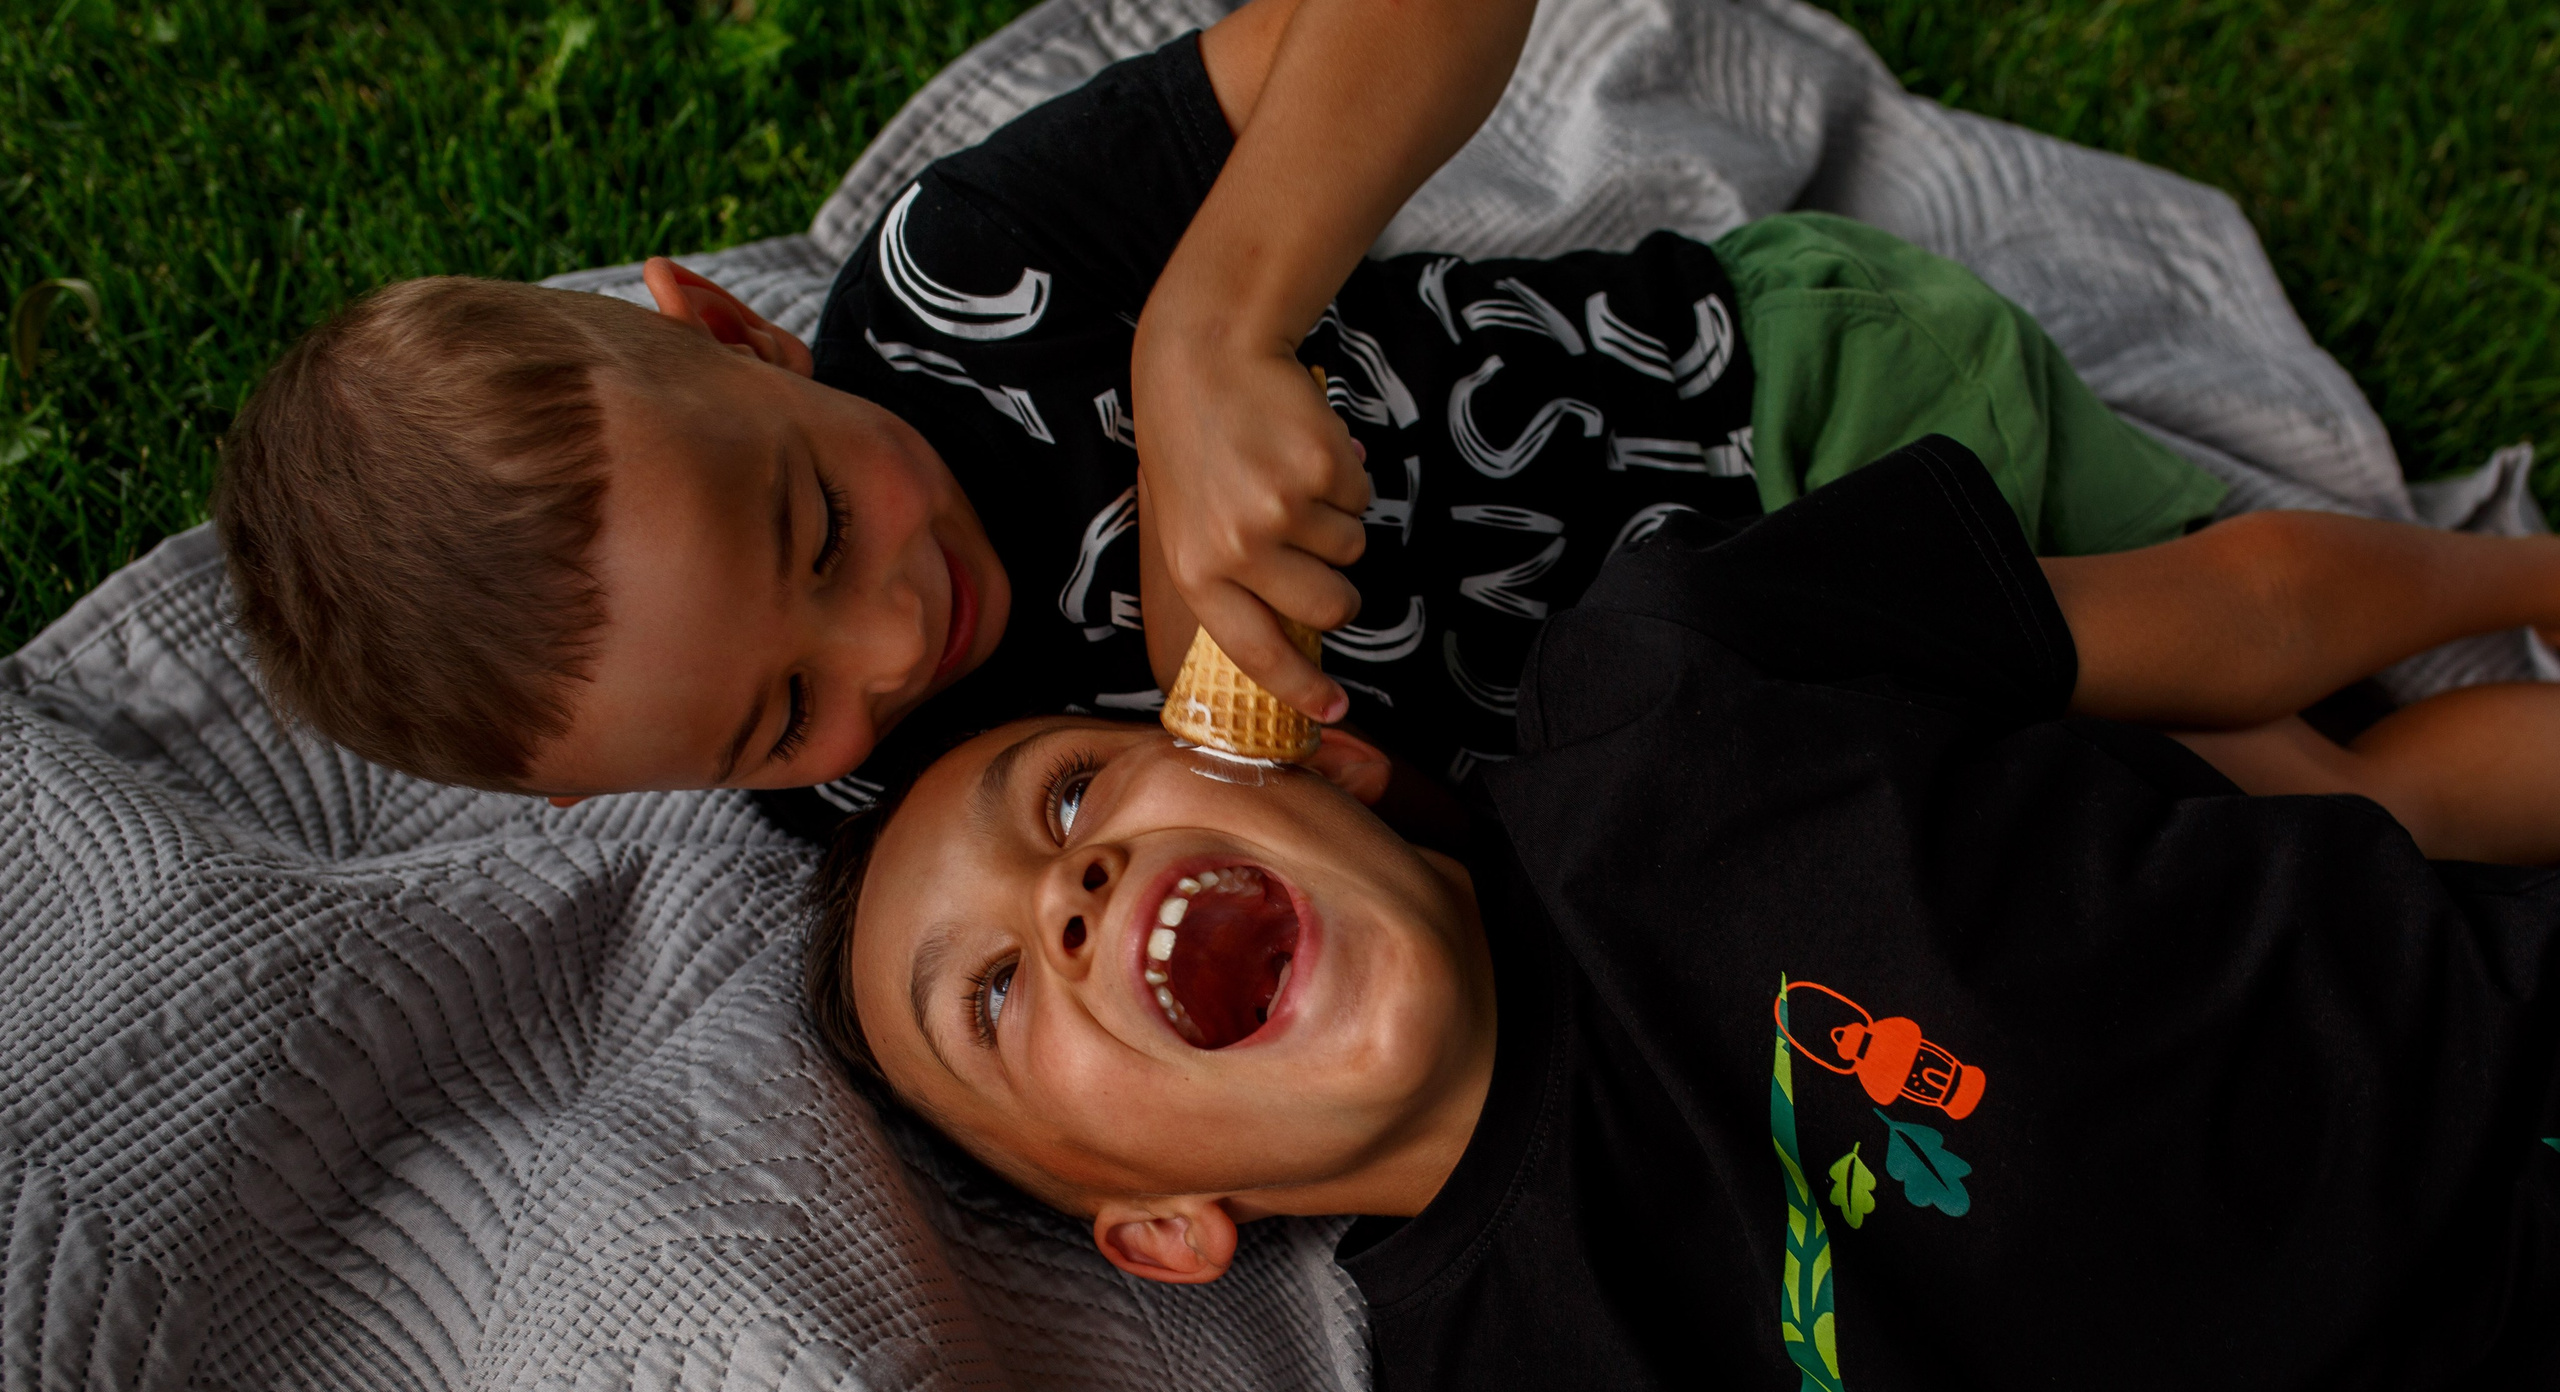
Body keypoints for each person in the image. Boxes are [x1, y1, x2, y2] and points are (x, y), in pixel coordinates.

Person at [802, 438, 2560, 1392]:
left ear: (1288, 769)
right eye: (998, 997)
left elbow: (2233, 612)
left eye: (1068, 796)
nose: (1074, 891)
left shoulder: (1664, 676)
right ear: (1167, 1224)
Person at [210, 0, 2226, 835]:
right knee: (2253, 807)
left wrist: (1210, 325)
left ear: (737, 337)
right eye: (766, 718)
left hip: (1786, 411)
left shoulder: (964, 276)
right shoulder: (891, 807)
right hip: (1769, 734)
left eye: (812, 530)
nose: (889, 646)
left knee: (2251, 634)